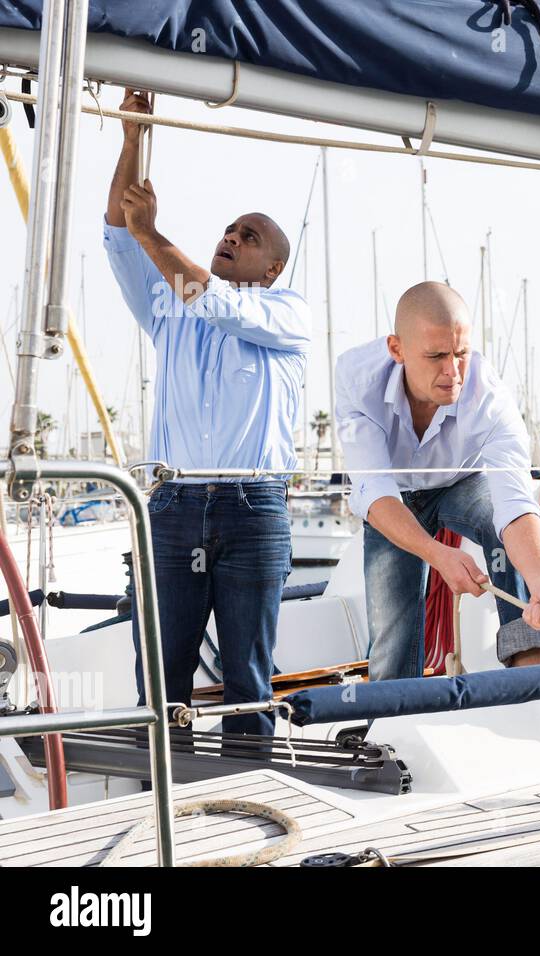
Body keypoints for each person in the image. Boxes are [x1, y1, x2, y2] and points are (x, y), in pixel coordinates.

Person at [105, 90, 310, 736]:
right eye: (228, 229)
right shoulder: (169, 309)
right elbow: (116, 233)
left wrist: (151, 233)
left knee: (249, 681)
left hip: (253, 509)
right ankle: (162, 812)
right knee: (160, 681)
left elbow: (215, 301)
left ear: (272, 266)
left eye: (248, 237)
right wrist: (133, 137)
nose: (231, 236)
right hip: (171, 506)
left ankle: (250, 800)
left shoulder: (287, 314)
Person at [335, 281, 540, 679]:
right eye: (436, 355)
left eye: (461, 353)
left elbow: (515, 505)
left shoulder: (489, 399)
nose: (452, 371)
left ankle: (533, 681)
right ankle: (393, 725)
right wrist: (438, 555)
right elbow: (376, 493)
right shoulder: (356, 379)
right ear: (396, 349)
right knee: (392, 634)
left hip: (463, 481)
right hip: (395, 498)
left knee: (502, 526)